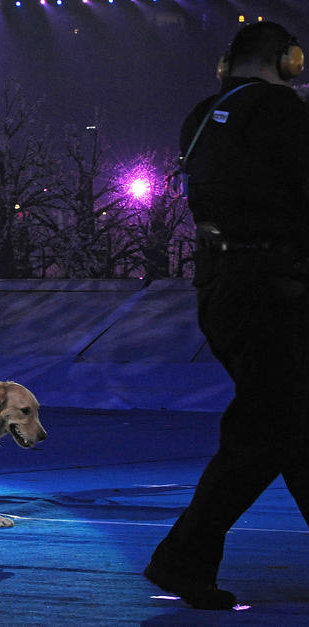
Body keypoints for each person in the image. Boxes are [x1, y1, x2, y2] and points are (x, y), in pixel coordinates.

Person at [144, 20, 309, 610]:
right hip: (275, 289)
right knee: (269, 427)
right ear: (287, 60)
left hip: (222, 287)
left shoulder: (200, 120)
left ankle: (184, 559)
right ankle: (181, 558)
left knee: (289, 423)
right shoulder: (287, 115)